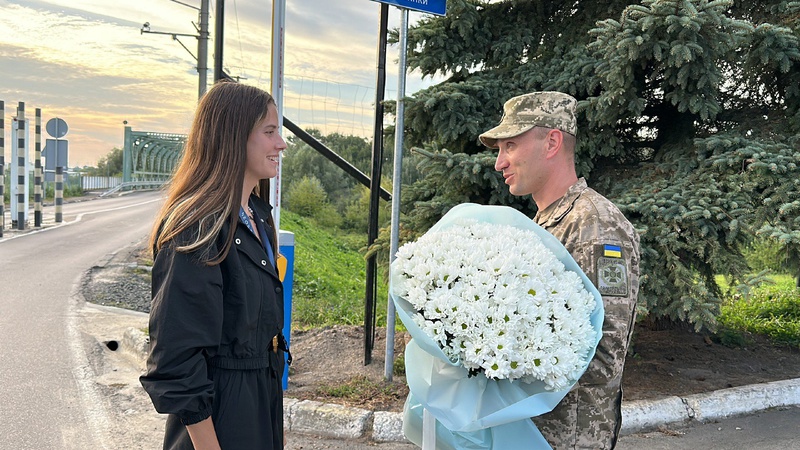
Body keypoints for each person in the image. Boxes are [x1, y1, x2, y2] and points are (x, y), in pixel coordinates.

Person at [479, 91, 641, 449]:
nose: (499, 163)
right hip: (528, 432)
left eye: (510, 146)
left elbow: (604, 356)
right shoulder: (544, 224)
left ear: (551, 142)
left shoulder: (595, 226)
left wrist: (500, 356)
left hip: (567, 438)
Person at [140, 80, 289, 450]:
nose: (281, 144)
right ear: (234, 137)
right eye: (269, 132)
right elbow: (177, 359)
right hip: (221, 418)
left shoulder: (256, 214)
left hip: (259, 401)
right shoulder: (197, 229)